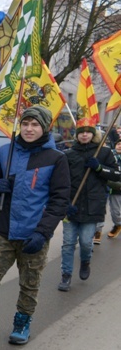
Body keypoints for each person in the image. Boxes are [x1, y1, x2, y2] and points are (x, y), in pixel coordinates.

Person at [0, 106, 69, 345]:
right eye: (25, 123)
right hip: (3, 228)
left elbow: (60, 200)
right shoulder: (4, 151)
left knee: (29, 283)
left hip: (34, 232)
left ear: (45, 127)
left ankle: (22, 322)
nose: (29, 129)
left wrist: (43, 231)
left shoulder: (56, 159)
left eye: (35, 124)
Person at [57, 118, 120, 291]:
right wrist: (65, 203)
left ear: (93, 134)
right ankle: (66, 275)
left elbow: (116, 175)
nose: (85, 134)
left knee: (86, 242)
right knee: (68, 243)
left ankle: (85, 262)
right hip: (72, 207)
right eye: (81, 132)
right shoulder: (69, 154)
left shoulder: (104, 153)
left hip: (93, 207)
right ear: (77, 135)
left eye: (88, 131)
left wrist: (99, 168)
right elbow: (61, 181)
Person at [107, 139, 121, 239]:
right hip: (115, 188)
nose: (120, 146)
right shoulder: (109, 156)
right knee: (115, 212)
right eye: (119, 144)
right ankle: (118, 224)